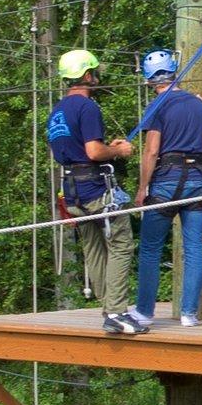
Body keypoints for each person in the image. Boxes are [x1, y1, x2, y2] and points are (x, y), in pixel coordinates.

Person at [46, 49, 139, 334]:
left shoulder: (57, 111)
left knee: (94, 247)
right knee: (121, 245)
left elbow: (71, 149)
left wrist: (104, 149)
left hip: (72, 190)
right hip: (95, 188)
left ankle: (109, 306)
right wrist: (118, 150)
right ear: (88, 76)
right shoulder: (88, 108)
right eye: (94, 72)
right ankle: (116, 311)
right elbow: (93, 151)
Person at [132, 49, 202, 328]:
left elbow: (152, 151)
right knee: (193, 248)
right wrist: (201, 111)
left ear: (149, 80)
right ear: (175, 70)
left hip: (167, 178)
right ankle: (189, 314)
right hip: (197, 178)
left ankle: (144, 312)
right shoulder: (196, 104)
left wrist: (143, 188)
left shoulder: (157, 106)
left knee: (151, 247)